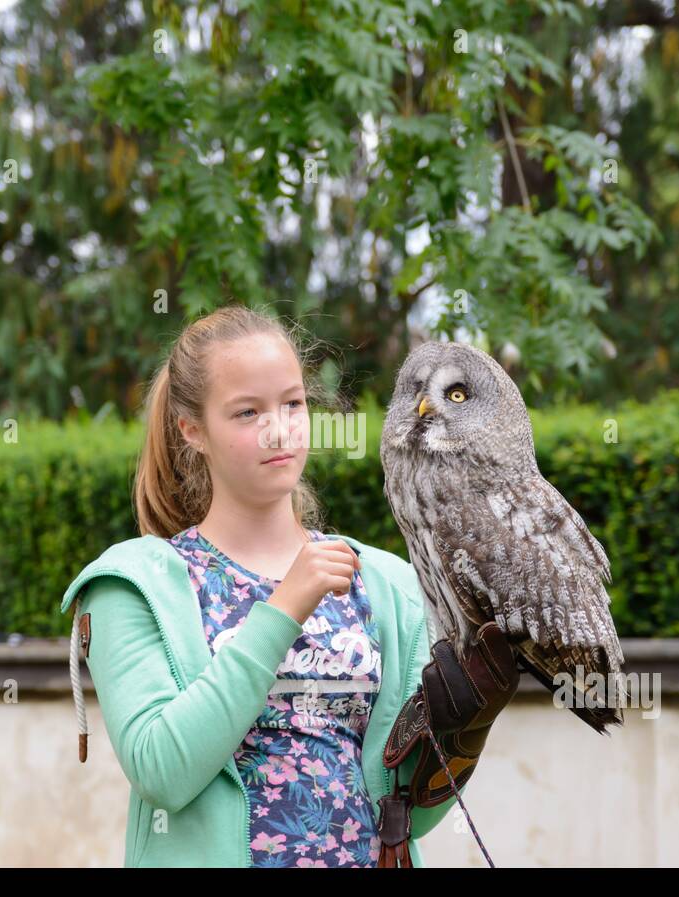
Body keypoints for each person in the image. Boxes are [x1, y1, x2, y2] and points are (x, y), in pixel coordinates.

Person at [60, 304, 514, 867]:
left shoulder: (387, 584)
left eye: (293, 404)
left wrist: (464, 734)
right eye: (247, 412)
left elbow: (408, 815)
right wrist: (283, 610)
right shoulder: (136, 587)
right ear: (192, 430)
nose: (280, 429)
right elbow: (162, 771)